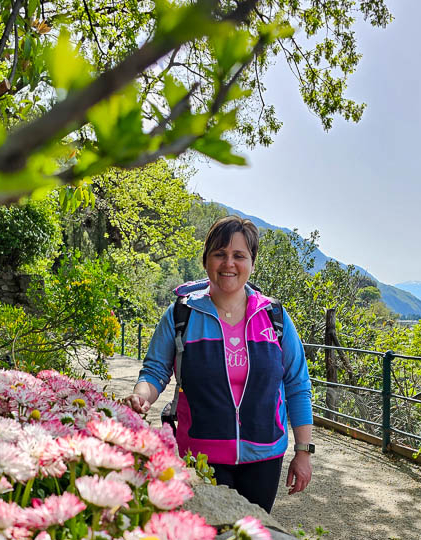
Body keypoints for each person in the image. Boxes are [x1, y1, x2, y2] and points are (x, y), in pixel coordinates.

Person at [126, 215, 314, 513]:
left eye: (239, 255)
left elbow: (297, 384)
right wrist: (141, 395)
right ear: (206, 260)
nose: (229, 263)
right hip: (199, 456)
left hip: (264, 456)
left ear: (252, 263)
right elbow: (155, 371)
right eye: (220, 254)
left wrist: (303, 451)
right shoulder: (181, 316)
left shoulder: (275, 317)